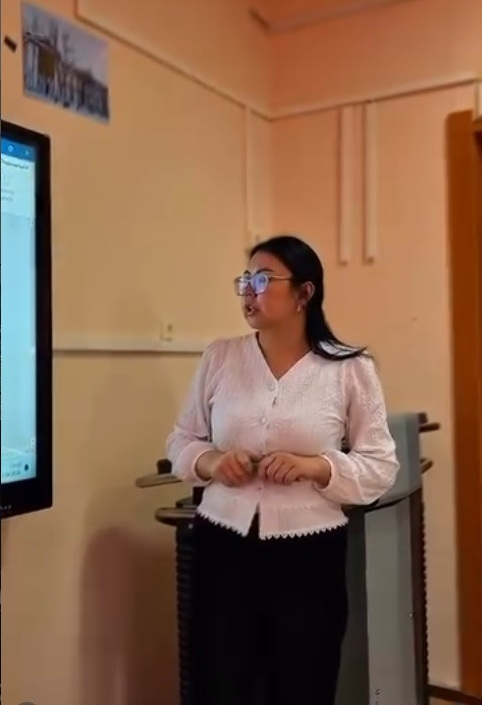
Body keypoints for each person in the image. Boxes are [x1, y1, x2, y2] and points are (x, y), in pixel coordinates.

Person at [166, 234, 400, 705]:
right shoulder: (221, 357)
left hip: (307, 556)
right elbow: (182, 440)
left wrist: (316, 468)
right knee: (218, 681)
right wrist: (213, 461)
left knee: (302, 683)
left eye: (263, 279)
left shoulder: (350, 369)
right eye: (244, 281)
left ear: (304, 292)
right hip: (222, 546)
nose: (248, 292)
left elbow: (380, 466)